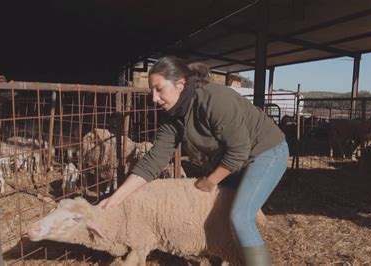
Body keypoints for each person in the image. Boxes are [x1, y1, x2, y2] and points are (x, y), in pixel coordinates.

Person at [99, 56, 288, 265]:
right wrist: (117, 197)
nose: (154, 98)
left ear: (180, 83)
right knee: (214, 213)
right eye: (151, 91)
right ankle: (227, 257)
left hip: (266, 152)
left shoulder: (214, 100)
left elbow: (239, 151)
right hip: (233, 161)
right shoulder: (173, 116)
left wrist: (211, 181)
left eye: (159, 89)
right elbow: (154, 160)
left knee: (240, 216)